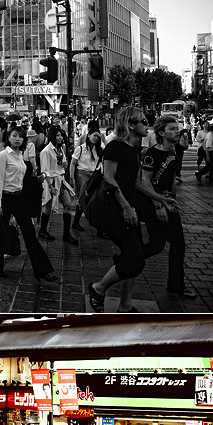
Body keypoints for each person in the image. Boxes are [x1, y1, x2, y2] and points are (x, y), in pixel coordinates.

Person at [87, 106, 152, 314]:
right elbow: (108, 179)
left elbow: (137, 183)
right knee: (135, 259)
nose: (146, 124)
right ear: (131, 125)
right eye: (142, 121)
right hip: (112, 209)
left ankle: (125, 304)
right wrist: (126, 207)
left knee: (133, 255)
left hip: (128, 208)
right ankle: (99, 288)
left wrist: (160, 199)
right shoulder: (115, 146)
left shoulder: (134, 149)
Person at [138, 116, 197, 299]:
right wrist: (158, 205)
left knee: (176, 244)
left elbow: (171, 180)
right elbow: (144, 181)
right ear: (162, 133)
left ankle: (176, 285)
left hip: (168, 203)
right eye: (172, 129)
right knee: (157, 245)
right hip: (154, 205)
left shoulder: (172, 151)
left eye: (176, 128)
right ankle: (128, 260)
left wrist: (173, 201)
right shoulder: (151, 154)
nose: (176, 131)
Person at [0, 124, 56, 283]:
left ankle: (42, 270)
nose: (17, 139)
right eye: (14, 135)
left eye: (20, 136)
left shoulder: (20, 156)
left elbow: (22, 179)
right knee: (0, 233)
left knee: (29, 233)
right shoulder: (3, 155)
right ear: (9, 137)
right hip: (5, 199)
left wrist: (36, 179)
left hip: (18, 198)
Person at [38, 125, 77, 245]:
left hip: (61, 179)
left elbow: (61, 163)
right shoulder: (46, 151)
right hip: (51, 180)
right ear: (52, 136)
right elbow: (44, 171)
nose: (60, 137)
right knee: (48, 207)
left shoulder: (60, 149)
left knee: (68, 205)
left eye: (61, 135)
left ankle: (66, 234)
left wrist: (64, 165)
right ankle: (42, 230)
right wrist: (50, 186)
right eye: (57, 135)